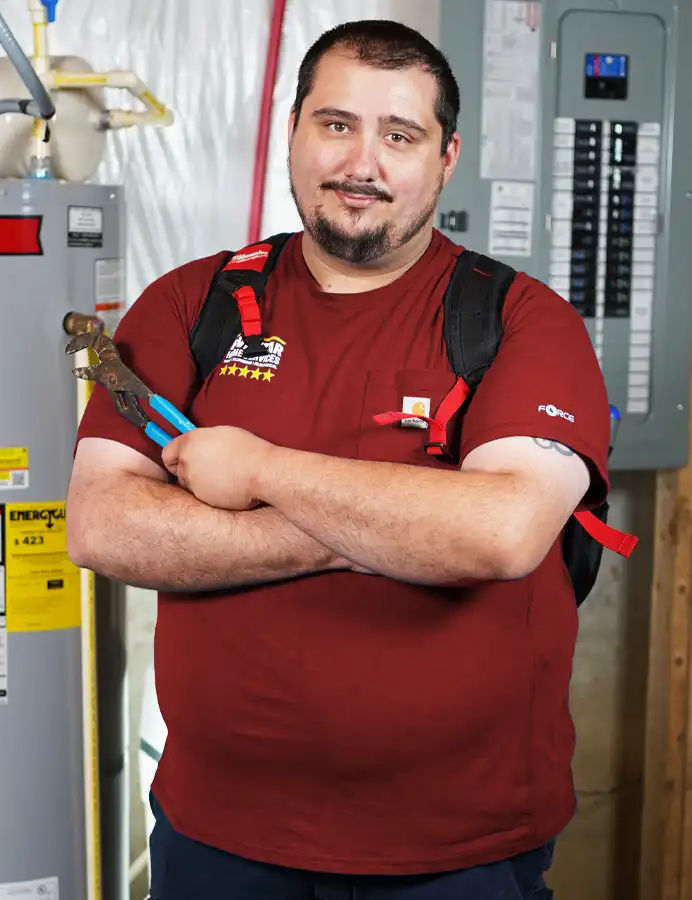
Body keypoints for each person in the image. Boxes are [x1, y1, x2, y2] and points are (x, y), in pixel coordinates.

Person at [67, 18, 609, 900]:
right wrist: (390, 526)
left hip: (457, 850)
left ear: (445, 157)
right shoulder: (189, 305)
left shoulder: (521, 321)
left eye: (400, 135)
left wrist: (261, 473)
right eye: (336, 124)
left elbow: (502, 534)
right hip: (217, 839)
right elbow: (101, 525)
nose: (362, 163)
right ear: (292, 133)